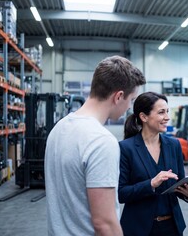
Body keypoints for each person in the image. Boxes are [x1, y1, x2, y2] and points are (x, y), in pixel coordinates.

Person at [44, 56, 146, 235]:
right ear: (119, 96)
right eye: (131, 100)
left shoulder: (59, 128)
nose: (129, 107)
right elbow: (104, 223)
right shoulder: (101, 141)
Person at [119, 91, 188, 236]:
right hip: (139, 228)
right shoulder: (126, 148)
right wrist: (151, 183)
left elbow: (178, 183)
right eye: (161, 112)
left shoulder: (173, 145)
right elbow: (121, 193)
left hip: (171, 227)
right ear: (143, 117)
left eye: (167, 112)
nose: (167, 117)